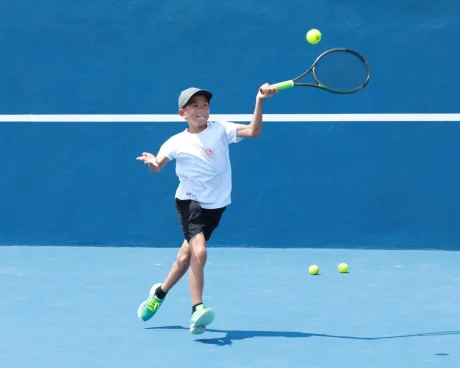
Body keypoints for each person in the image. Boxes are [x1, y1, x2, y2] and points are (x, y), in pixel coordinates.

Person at [136, 83, 278, 334]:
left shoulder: (221, 128)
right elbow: (158, 166)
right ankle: (197, 309)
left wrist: (259, 100)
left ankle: (158, 294)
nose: (202, 109)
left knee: (185, 257)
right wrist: (151, 163)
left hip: (216, 205)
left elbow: (254, 131)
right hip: (189, 201)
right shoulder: (175, 142)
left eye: (205, 104)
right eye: (195, 105)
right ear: (183, 113)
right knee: (199, 253)